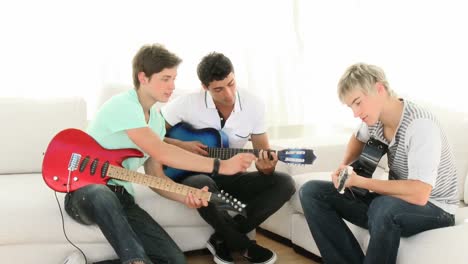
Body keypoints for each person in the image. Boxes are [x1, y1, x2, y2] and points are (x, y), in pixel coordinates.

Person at [62, 44, 256, 264]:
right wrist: (220, 165)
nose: (172, 86)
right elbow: (161, 151)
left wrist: (186, 196)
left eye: (174, 78)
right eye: (165, 78)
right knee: (101, 193)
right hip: (85, 194)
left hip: (122, 198)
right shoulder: (123, 105)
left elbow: (156, 177)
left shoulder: (156, 121)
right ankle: (135, 261)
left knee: (174, 260)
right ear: (143, 77)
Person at [299, 63, 458, 264]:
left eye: (358, 103)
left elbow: (420, 194)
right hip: (395, 201)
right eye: (351, 107)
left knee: (383, 207)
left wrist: (360, 182)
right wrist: (345, 165)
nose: (356, 113)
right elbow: (357, 138)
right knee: (312, 192)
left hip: (435, 208)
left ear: (379, 89)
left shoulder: (420, 125)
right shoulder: (374, 120)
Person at [161, 52, 295, 264]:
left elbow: (263, 161)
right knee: (202, 184)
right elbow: (151, 135)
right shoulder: (185, 104)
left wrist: (267, 167)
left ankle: (224, 238)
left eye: (231, 84)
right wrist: (182, 145)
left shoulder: (255, 105)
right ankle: (244, 245)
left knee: (284, 182)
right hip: (191, 175)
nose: (229, 94)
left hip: (229, 175)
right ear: (205, 87)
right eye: (219, 89)